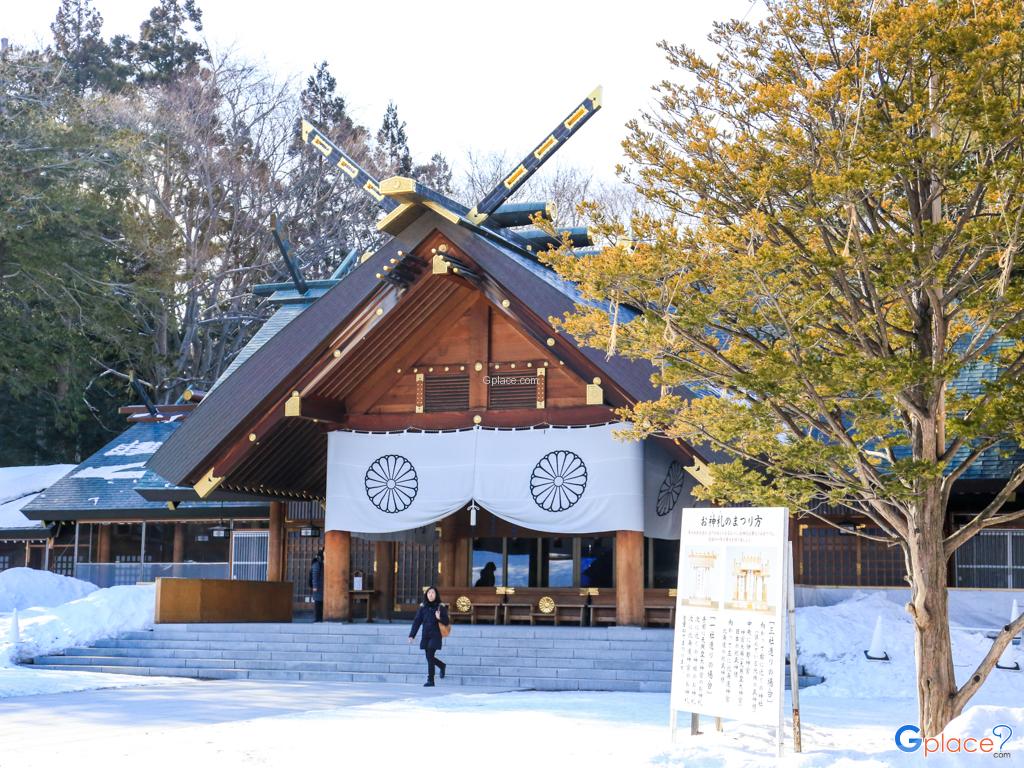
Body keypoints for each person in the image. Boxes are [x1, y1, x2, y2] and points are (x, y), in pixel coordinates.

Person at [408, 585, 450, 686]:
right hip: (426, 635)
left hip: (435, 635)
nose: (431, 595)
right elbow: (417, 621)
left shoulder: (441, 606)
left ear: (436, 595)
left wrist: (439, 617)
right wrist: (412, 635)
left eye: (433, 593)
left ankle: (430, 680)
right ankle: (441, 665)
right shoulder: (423, 607)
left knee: (430, 655)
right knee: (429, 657)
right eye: (429, 593)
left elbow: (447, 621)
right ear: (426, 595)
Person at [309, 548, 324, 622]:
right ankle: (317, 618)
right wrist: (315, 586)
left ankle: (320, 618)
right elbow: (314, 575)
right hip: (318, 586)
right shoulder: (317, 564)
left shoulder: (321, 563)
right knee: (318, 602)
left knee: (320, 603)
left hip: (322, 586)